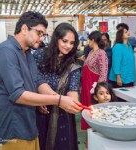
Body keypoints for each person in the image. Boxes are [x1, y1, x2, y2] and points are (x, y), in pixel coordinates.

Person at [0, 12, 82, 150]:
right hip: (13, 128)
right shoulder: (6, 51)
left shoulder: (26, 52)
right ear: (24, 29)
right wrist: (59, 100)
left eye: (44, 35)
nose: (41, 38)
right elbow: (17, 94)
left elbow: (38, 80)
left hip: (30, 125)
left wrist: (55, 97)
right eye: (39, 33)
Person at [33, 22, 82, 150]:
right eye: (65, 41)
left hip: (62, 113)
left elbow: (73, 88)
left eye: (72, 43)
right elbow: (33, 80)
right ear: (56, 39)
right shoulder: (39, 55)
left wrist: (74, 103)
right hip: (41, 110)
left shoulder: (73, 63)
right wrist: (38, 100)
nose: (68, 46)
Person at [80, 31, 108, 130]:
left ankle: (96, 128)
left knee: (94, 106)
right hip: (86, 83)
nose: (88, 42)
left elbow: (103, 71)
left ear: (93, 40)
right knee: (87, 106)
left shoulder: (101, 53)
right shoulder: (91, 52)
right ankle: (88, 130)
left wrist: (99, 88)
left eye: (89, 40)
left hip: (94, 84)